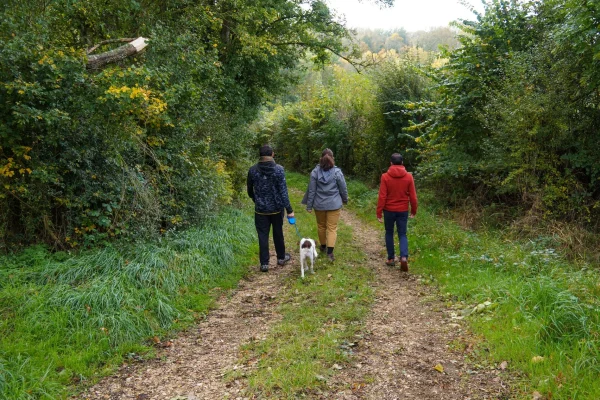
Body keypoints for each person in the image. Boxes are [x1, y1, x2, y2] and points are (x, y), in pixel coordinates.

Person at [247, 145, 294, 272]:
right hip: (277, 208)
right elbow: (283, 192)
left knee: (262, 235)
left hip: (260, 209)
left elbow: (249, 190)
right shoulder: (279, 170)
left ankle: (264, 264)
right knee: (278, 233)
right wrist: (289, 210)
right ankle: (281, 258)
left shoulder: (252, 170)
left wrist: (256, 200)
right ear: (272, 154)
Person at [304, 148, 348, 262]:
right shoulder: (337, 172)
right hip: (334, 204)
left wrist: (309, 206)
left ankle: (323, 246)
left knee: (321, 226)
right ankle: (330, 253)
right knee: (332, 228)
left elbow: (311, 190)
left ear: (321, 158)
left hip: (319, 205)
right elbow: (343, 188)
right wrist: (345, 199)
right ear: (332, 158)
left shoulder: (314, 172)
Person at [376, 153, 418, 271]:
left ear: (391, 163)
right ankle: (404, 257)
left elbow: (382, 196)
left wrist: (379, 212)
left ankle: (390, 259)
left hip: (388, 210)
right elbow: (413, 197)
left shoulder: (385, 177)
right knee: (402, 234)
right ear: (402, 163)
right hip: (403, 210)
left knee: (389, 232)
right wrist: (413, 210)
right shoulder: (409, 177)